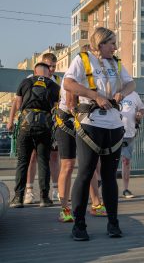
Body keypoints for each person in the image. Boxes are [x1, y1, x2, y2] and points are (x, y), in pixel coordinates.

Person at [64, 27, 136, 240]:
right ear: (100, 43)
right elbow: (68, 83)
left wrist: (122, 92)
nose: (115, 47)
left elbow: (132, 83)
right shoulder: (83, 59)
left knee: (109, 176)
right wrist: (94, 95)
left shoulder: (116, 63)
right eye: (112, 43)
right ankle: (79, 225)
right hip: (91, 124)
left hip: (113, 125)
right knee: (85, 173)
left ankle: (113, 223)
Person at [55, 76, 108, 222]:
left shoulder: (93, 74)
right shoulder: (73, 75)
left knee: (89, 163)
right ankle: (65, 208)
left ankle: (96, 204)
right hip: (67, 120)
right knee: (68, 164)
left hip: (84, 118)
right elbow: (72, 104)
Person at [7, 62, 60, 208]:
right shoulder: (54, 86)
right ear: (48, 72)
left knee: (23, 161)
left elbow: (18, 105)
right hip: (45, 127)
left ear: (35, 72)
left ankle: (18, 198)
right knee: (44, 161)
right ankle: (45, 198)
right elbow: (56, 108)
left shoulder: (25, 82)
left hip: (26, 125)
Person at [120, 91, 144, 198]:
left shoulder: (134, 94)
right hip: (112, 131)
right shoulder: (113, 91)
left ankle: (126, 189)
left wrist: (139, 114)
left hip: (129, 133)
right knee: (108, 162)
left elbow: (142, 108)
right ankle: (101, 190)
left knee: (126, 161)